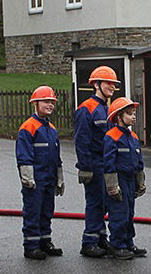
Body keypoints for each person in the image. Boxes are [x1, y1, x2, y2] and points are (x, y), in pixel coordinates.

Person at [74, 66, 119, 258]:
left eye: (113, 84)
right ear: (96, 84)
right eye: (108, 83)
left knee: (104, 203)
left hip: (106, 164)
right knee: (94, 203)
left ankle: (100, 238)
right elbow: (81, 140)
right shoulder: (87, 108)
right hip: (93, 163)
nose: (112, 87)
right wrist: (85, 167)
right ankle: (89, 242)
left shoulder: (106, 108)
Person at [17, 85, 65, 260]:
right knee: (33, 212)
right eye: (46, 101)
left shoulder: (51, 129)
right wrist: (27, 178)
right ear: (35, 104)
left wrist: (59, 178)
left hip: (48, 178)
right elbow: (24, 156)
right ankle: (31, 246)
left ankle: (45, 241)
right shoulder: (28, 127)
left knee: (47, 211)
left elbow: (56, 157)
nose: (50, 105)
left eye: (52, 102)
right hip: (35, 180)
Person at [102, 97, 147, 260]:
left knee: (129, 213)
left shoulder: (133, 136)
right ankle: (116, 245)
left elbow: (139, 160)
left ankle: (128, 242)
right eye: (129, 114)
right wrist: (112, 186)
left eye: (134, 113)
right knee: (118, 213)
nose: (133, 117)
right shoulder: (111, 136)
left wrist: (140, 181)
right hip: (119, 180)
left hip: (130, 180)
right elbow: (109, 162)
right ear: (118, 117)